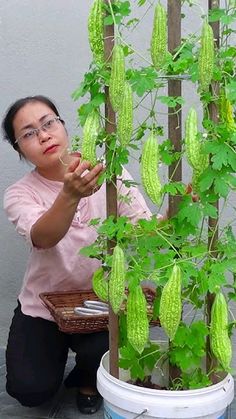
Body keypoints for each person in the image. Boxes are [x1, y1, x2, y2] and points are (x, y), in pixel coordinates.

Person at [2, 95, 156, 415]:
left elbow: (142, 231)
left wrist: (175, 209)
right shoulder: (19, 193)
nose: (43, 135)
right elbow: (43, 237)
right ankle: (54, 357)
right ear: (20, 150)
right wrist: (69, 194)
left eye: (48, 123)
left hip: (98, 302)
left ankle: (86, 378)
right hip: (42, 306)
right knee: (29, 390)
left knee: (103, 350)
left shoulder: (109, 170)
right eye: (28, 133)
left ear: (63, 126)